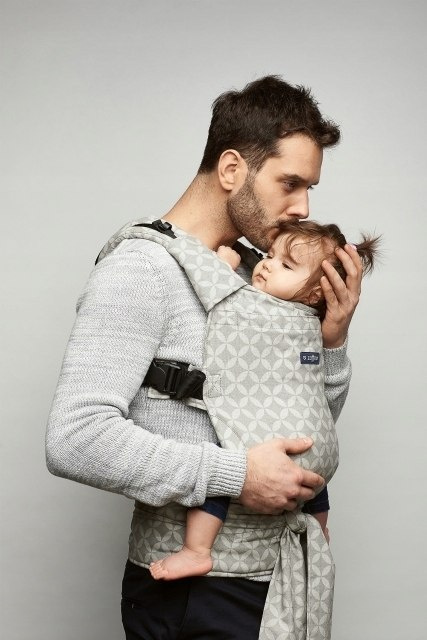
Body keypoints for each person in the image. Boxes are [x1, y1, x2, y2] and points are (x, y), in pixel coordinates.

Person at [46, 76, 363, 640]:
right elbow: (75, 438)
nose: (303, 208)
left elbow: (298, 428)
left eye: (309, 188)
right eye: (290, 183)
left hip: (280, 577)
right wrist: (237, 475)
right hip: (195, 593)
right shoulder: (142, 271)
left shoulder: (262, 274)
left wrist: (332, 343)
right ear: (232, 169)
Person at [148, 220, 379, 582]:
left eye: (286, 265)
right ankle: (319, 532)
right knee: (312, 484)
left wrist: (220, 268)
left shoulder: (262, 308)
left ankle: (197, 550)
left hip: (275, 441)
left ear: (315, 294)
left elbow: (223, 300)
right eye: (270, 255)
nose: (267, 265)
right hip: (315, 448)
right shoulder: (306, 321)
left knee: (224, 466)